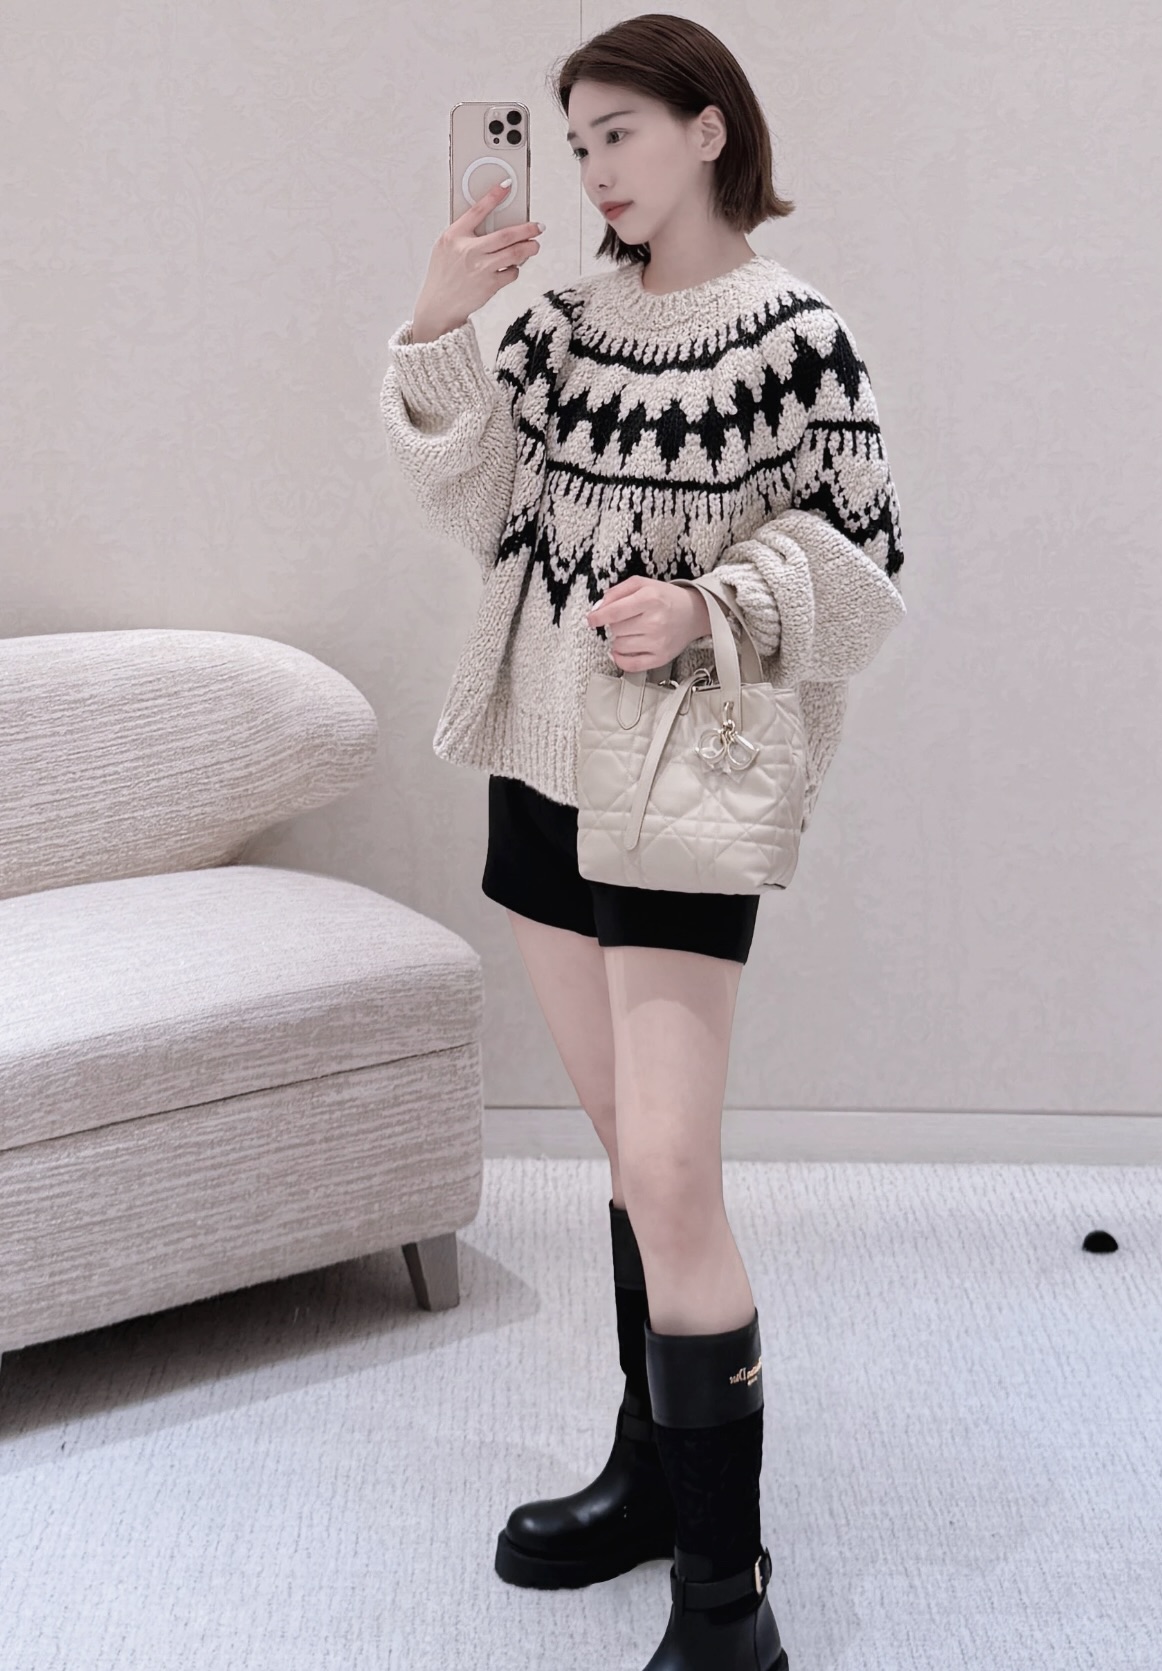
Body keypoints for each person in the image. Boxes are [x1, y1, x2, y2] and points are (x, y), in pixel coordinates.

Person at [379, 15, 907, 1668]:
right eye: (576, 140)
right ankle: (651, 1484)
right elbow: (473, 513)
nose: (594, 167)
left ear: (705, 130)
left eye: (619, 132)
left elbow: (865, 570)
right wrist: (441, 325)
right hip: (540, 766)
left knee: (671, 1171)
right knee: (627, 1153)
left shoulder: (794, 336)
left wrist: (709, 606)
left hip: (677, 783)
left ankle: (726, 1603)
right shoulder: (561, 323)